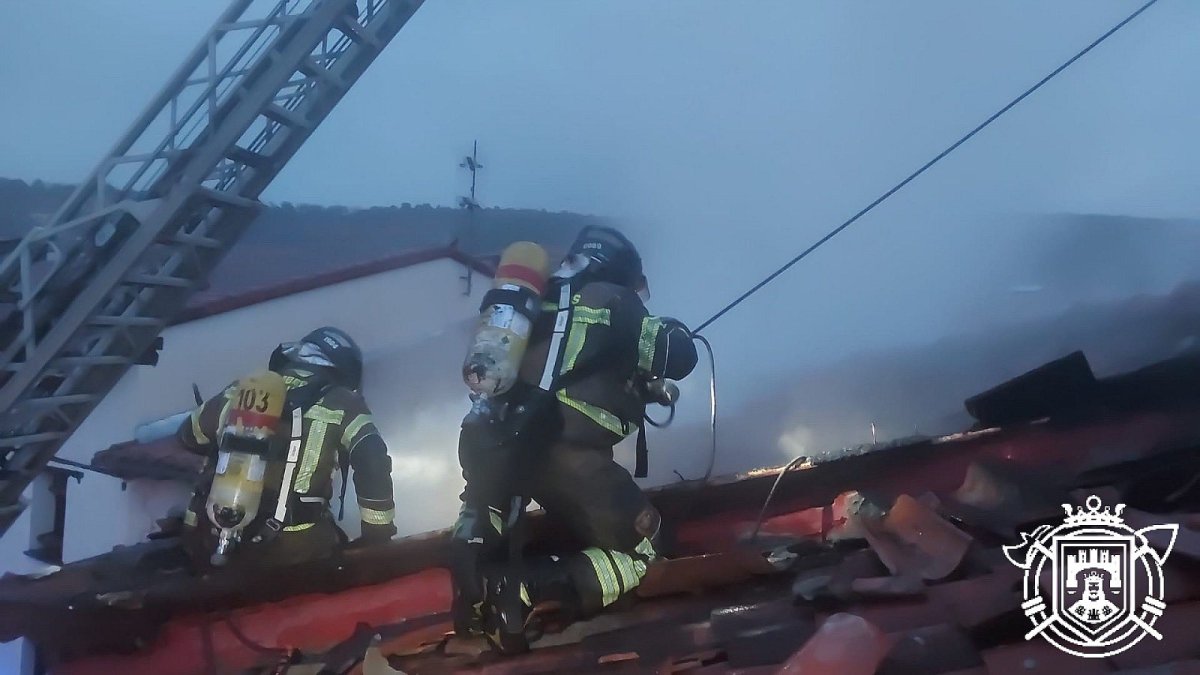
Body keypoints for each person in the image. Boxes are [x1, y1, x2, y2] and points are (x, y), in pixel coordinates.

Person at [451, 226, 698, 652]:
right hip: (563, 453)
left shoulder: (536, 299)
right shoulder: (615, 300)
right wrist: (671, 331)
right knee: (649, 550)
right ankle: (529, 588)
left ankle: (471, 596)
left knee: (486, 517)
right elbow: (678, 355)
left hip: (489, 439)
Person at [177, 326, 396, 569]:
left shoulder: (240, 391)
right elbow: (372, 460)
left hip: (208, 535)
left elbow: (188, 437)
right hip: (292, 550)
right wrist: (377, 535)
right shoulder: (343, 402)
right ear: (345, 371)